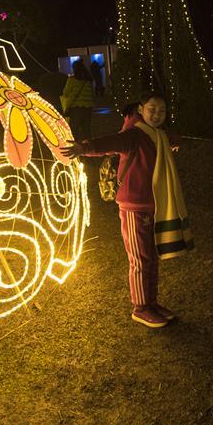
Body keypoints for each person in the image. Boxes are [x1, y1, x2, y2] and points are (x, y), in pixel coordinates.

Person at [61, 91, 192, 328]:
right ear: (141, 109)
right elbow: (109, 143)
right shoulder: (134, 134)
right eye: (152, 109)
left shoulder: (157, 134)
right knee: (140, 259)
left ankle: (151, 303)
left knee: (151, 257)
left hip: (154, 204)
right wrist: (83, 148)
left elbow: (169, 139)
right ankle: (140, 308)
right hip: (134, 206)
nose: (156, 114)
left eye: (161, 111)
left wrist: (174, 141)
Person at [61, 60, 94, 140]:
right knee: (86, 130)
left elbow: (65, 93)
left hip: (76, 108)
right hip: (88, 108)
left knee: (73, 130)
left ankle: (74, 146)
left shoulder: (72, 79)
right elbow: (92, 94)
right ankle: (88, 145)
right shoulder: (88, 80)